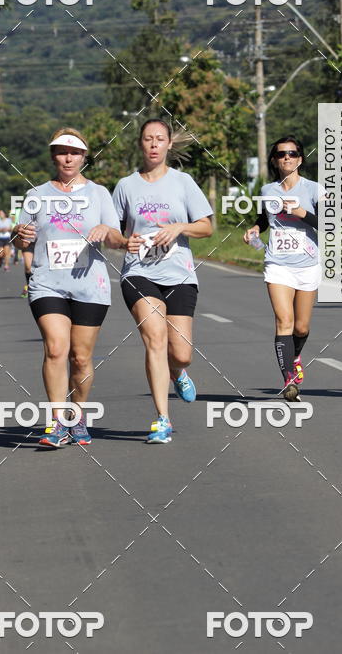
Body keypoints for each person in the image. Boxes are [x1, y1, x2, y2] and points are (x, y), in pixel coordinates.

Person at [14, 128, 122, 448]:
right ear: (53, 156)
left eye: (74, 152)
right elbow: (25, 240)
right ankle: (57, 422)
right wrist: (22, 237)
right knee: (56, 348)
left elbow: (118, 238)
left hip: (90, 284)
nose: (68, 157)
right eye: (61, 151)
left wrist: (105, 229)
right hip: (48, 282)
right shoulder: (36, 195)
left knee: (80, 358)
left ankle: (78, 414)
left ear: (84, 157)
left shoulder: (100, 194)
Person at [111, 119, 213, 444]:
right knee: (154, 339)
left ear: (169, 144)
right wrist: (121, 240)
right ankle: (162, 419)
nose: (154, 144)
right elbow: (112, 231)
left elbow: (207, 227)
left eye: (159, 139)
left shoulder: (183, 183)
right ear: (140, 144)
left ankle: (177, 372)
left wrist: (180, 227)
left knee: (181, 353)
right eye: (147, 139)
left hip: (179, 274)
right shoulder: (126, 186)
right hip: (139, 272)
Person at [243, 136, 323, 402]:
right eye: (281, 155)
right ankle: (289, 379)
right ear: (275, 160)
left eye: (291, 154)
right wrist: (256, 228)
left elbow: (330, 224)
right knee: (284, 321)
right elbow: (264, 218)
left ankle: (296, 354)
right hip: (278, 263)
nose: (286, 158)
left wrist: (302, 213)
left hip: (307, 263)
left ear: (300, 159)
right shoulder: (268, 190)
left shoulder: (314, 189)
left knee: (301, 327)